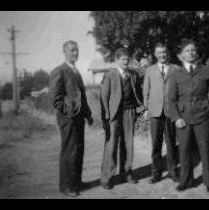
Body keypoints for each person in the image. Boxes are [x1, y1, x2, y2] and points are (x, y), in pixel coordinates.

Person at [169, 39, 209, 193]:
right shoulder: (176, 74)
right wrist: (176, 117)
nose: (191, 53)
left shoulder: (208, 70)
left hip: (202, 116)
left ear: (197, 52)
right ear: (181, 56)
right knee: (184, 150)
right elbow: (171, 99)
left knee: (205, 150)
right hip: (183, 118)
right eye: (187, 51)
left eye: (193, 50)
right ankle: (186, 181)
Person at [49, 40, 93, 197]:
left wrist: (88, 114)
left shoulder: (76, 71)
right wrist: (68, 112)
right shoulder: (59, 71)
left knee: (79, 150)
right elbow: (55, 98)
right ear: (65, 52)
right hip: (68, 120)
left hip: (79, 119)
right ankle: (66, 186)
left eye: (77, 50)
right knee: (69, 152)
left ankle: (76, 182)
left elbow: (82, 97)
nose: (75, 53)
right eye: (72, 50)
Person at [100, 48, 143, 190]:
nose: (125, 62)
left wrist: (139, 108)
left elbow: (138, 93)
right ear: (116, 60)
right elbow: (104, 97)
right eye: (123, 59)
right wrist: (106, 116)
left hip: (129, 112)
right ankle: (107, 177)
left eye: (127, 59)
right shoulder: (110, 75)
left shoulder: (133, 75)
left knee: (128, 144)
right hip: (114, 114)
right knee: (111, 145)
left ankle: (127, 172)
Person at [143, 43, 180, 184]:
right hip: (155, 112)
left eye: (164, 52)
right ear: (155, 54)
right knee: (156, 144)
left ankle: (173, 172)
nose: (162, 55)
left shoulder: (176, 69)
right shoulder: (150, 70)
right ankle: (156, 174)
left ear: (167, 53)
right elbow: (145, 90)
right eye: (159, 53)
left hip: (171, 112)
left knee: (171, 143)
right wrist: (146, 109)